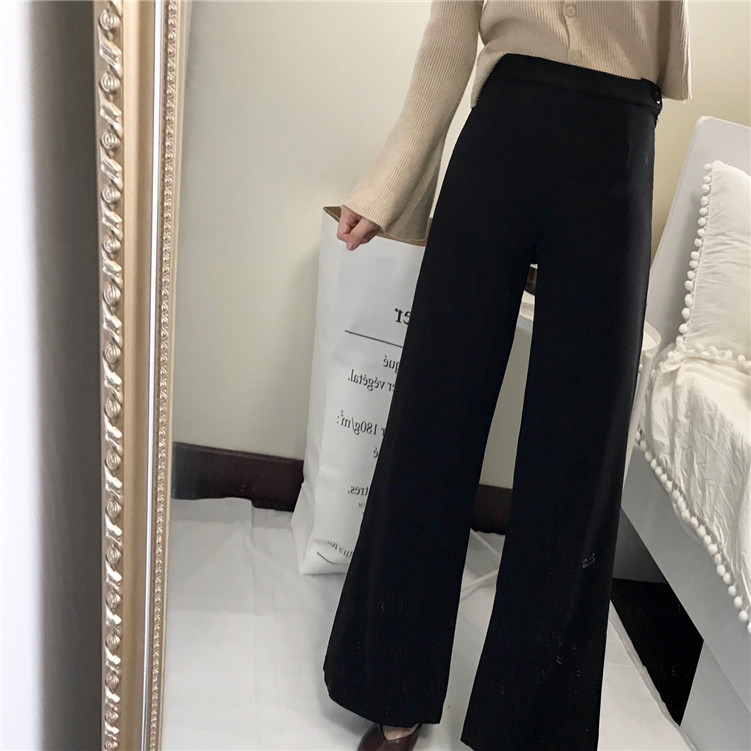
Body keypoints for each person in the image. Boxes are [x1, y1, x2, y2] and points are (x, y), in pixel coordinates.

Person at [324, 2, 691, 750]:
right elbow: (449, 37)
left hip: (617, 128)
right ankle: (392, 686)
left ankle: (528, 727)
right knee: (433, 410)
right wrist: (390, 181)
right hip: (506, 120)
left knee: (581, 446)